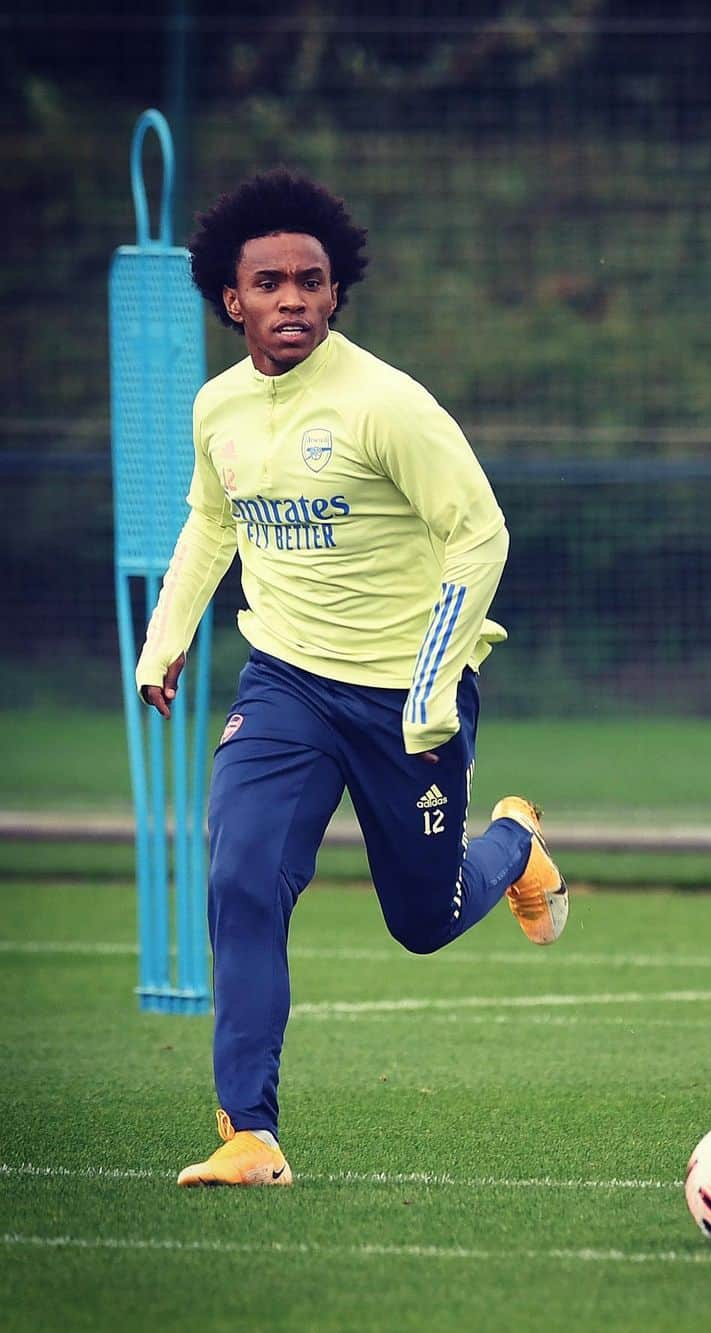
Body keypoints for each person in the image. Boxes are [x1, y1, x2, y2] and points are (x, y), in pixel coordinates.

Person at [135, 169, 568, 1188]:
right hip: (285, 686)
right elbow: (213, 520)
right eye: (269, 282)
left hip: (408, 699)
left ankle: (512, 845)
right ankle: (251, 1132)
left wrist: (432, 683)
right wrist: (167, 637)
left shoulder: (387, 405)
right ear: (231, 298)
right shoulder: (218, 410)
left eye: (311, 281)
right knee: (240, 879)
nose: (292, 298)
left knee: (422, 921)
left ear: (336, 294)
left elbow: (480, 534)